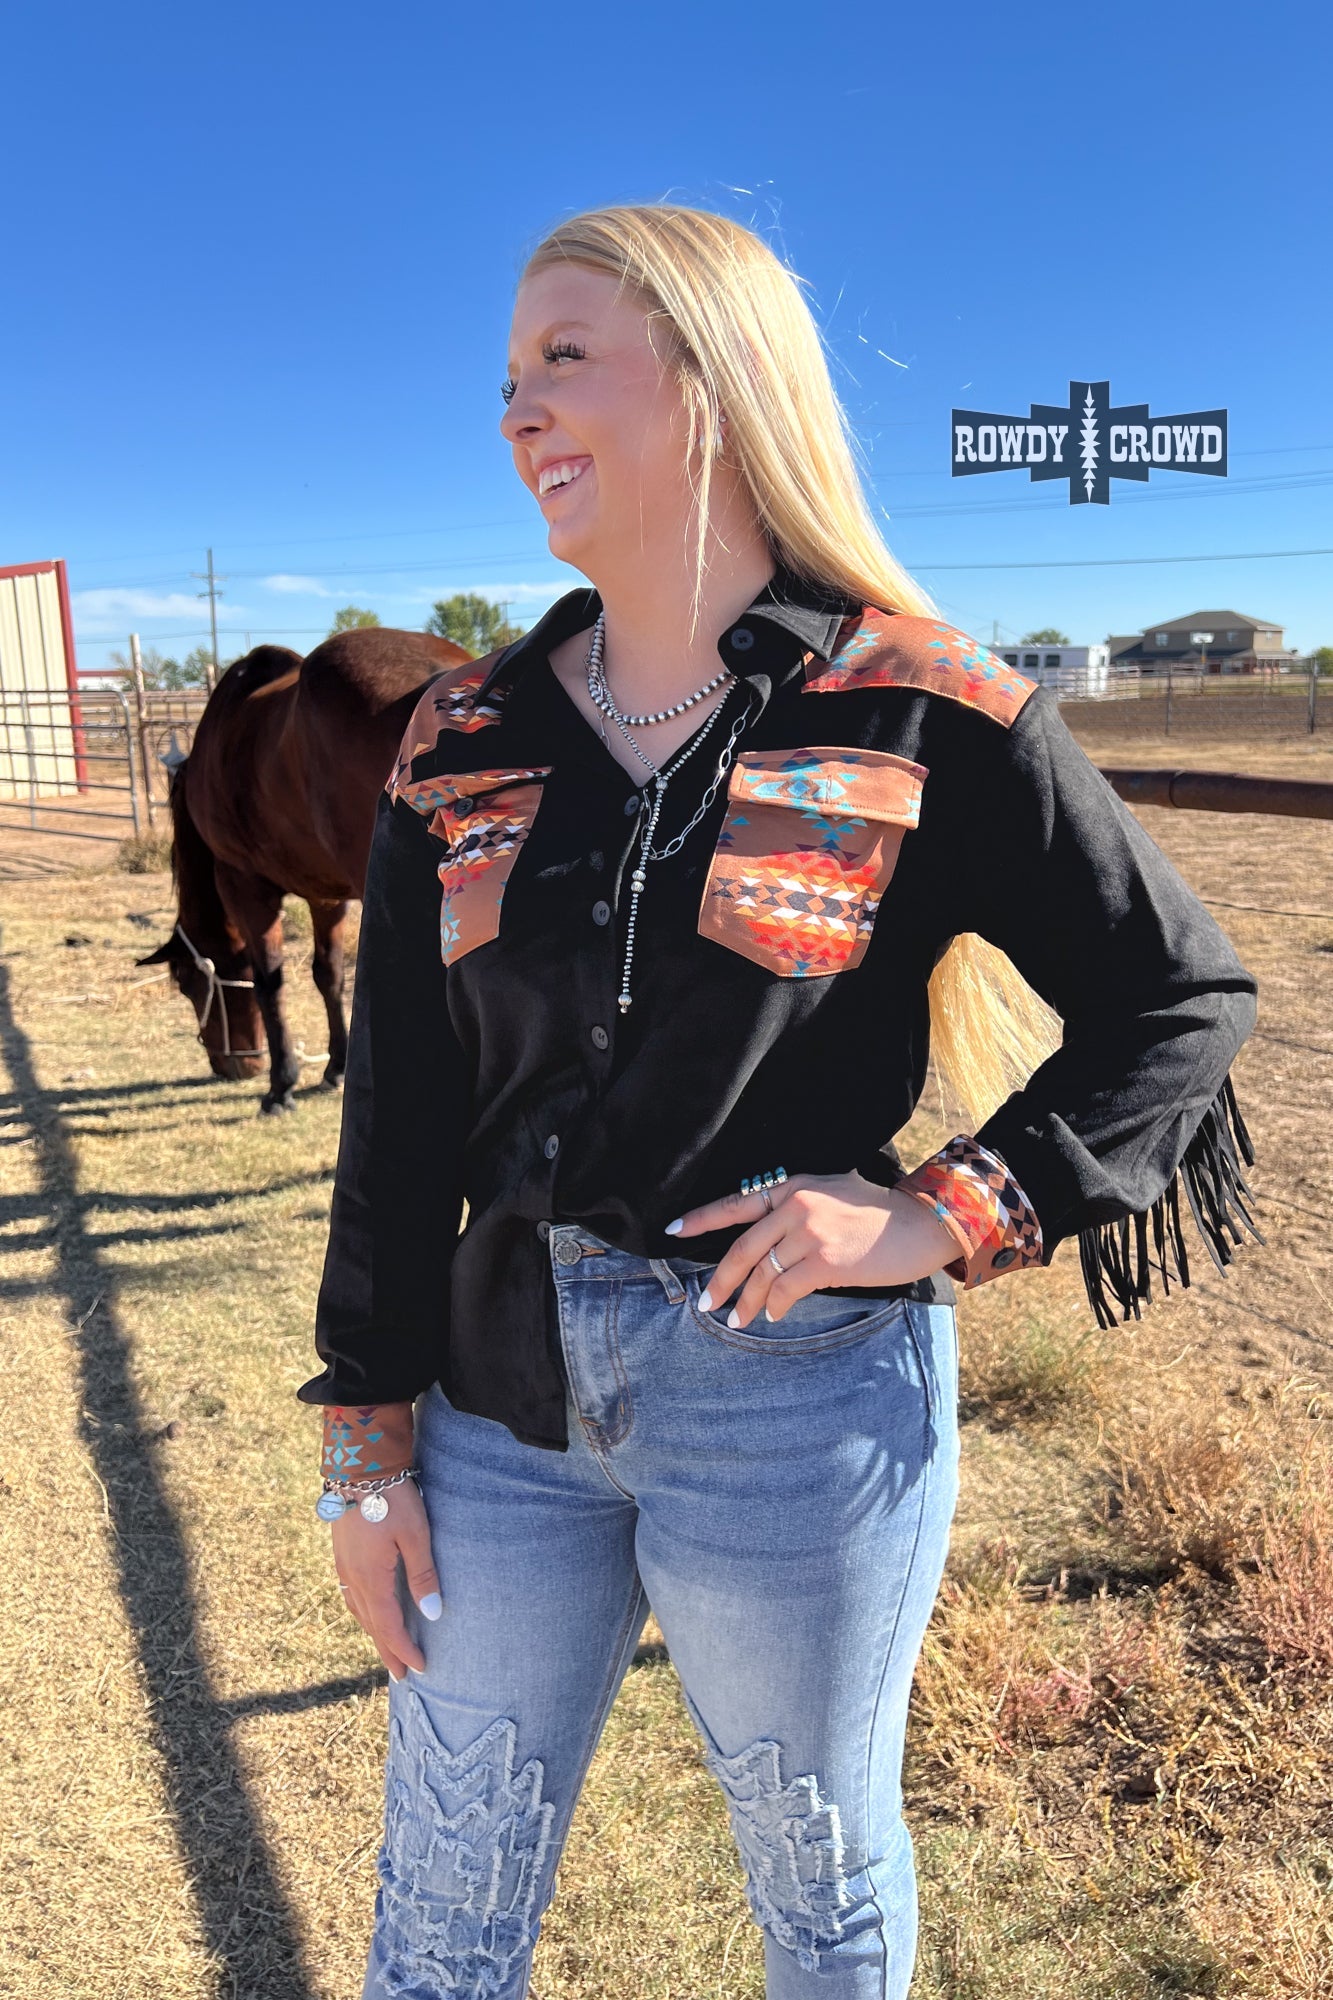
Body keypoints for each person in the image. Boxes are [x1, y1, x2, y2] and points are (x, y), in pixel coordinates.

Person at [299, 204, 1259, 2000]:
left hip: (797, 1402)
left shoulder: (927, 705)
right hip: (497, 1399)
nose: (515, 412)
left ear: (718, 380)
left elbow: (1181, 998)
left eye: (563, 359)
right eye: (506, 379)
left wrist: (939, 1211)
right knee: (440, 1899)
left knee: (817, 1886)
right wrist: (366, 1443)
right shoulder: (462, 738)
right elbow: (398, 1119)